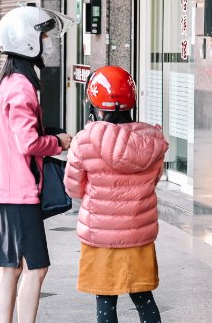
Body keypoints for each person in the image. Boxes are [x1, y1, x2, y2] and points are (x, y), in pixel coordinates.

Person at [0, 6, 74, 323]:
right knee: (37, 267)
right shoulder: (23, 86)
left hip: (1, 189)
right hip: (19, 192)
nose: (48, 41)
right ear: (27, 40)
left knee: (10, 267)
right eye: (44, 34)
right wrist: (59, 143)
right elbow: (28, 143)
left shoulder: (6, 81)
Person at [64, 66, 169, 323]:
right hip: (138, 236)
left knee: (105, 304)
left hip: (100, 237)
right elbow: (154, 180)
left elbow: (74, 188)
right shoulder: (152, 141)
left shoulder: (84, 141)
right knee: (144, 300)